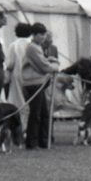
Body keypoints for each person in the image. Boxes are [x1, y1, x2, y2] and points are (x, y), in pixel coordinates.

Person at [20, 22, 60, 150]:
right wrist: (55, 67)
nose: (43, 37)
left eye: (44, 34)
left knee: (44, 113)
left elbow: (42, 63)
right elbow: (43, 66)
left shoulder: (37, 47)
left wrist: (50, 62)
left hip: (39, 83)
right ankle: (32, 142)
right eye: (40, 34)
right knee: (36, 114)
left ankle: (43, 141)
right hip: (33, 84)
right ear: (34, 35)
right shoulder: (32, 47)